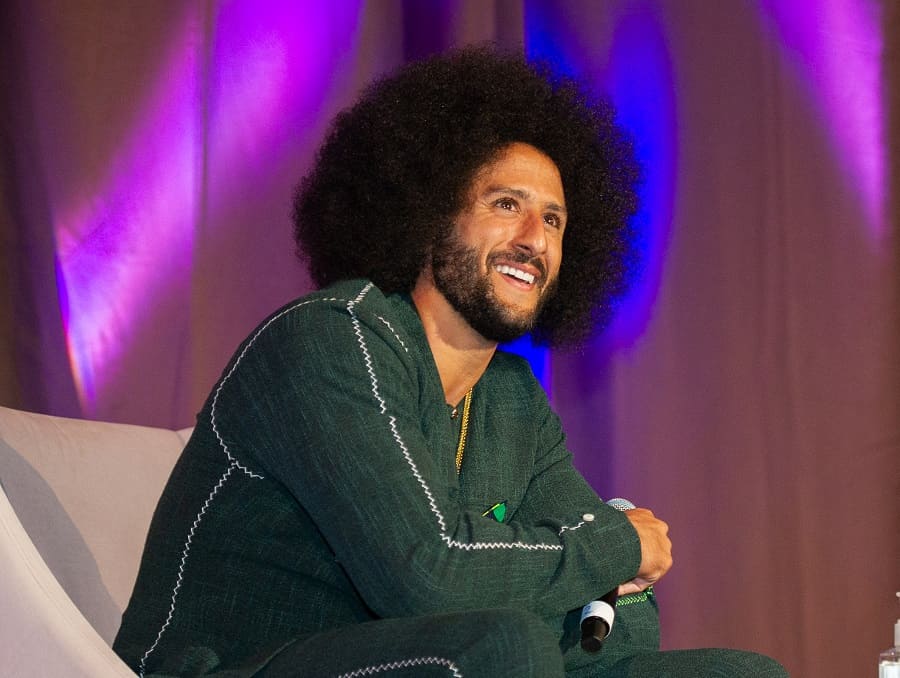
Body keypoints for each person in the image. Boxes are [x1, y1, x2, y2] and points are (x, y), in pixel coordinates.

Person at [114, 47, 788, 677]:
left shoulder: (513, 400)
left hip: (435, 659)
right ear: (430, 216)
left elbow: (621, 626)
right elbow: (430, 575)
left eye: (553, 222)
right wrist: (606, 548)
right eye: (506, 206)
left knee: (744, 673)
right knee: (503, 644)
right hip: (230, 666)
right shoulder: (330, 341)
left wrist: (587, 564)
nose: (534, 242)